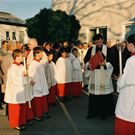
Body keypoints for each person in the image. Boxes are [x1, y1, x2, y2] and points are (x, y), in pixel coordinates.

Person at [84, 34, 115, 120]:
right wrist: (89, 64)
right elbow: (86, 60)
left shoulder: (109, 50)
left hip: (104, 74)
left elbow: (113, 62)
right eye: (96, 42)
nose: (98, 44)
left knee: (103, 95)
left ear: (103, 40)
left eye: (100, 42)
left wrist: (105, 64)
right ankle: (92, 112)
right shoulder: (91, 49)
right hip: (94, 74)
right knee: (93, 94)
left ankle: (103, 113)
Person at [115, 34, 135, 135]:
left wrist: (120, 79)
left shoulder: (131, 60)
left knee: (128, 114)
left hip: (130, 92)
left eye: (127, 44)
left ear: (131, 45)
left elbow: (123, 81)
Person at [4, 49, 28, 129]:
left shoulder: (21, 66)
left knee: (21, 108)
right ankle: (15, 123)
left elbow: (24, 77)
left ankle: (21, 121)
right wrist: (24, 77)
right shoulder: (13, 68)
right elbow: (15, 80)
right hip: (14, 92)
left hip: (21, 90)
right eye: (21, 56)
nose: (23, 57)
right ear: (17, 57)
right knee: (15, 109)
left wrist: (28, 78)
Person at [28, 47, 50, 120]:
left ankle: (43, 112)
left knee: (42, 100)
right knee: (37, 101)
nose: (42, 54)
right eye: (40, 53)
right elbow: (31, 77)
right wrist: (34, 87)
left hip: (42, 85)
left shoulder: (39, 62)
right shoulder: (33, 64)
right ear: (36, 54)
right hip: (37, 86)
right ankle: (37, 115)